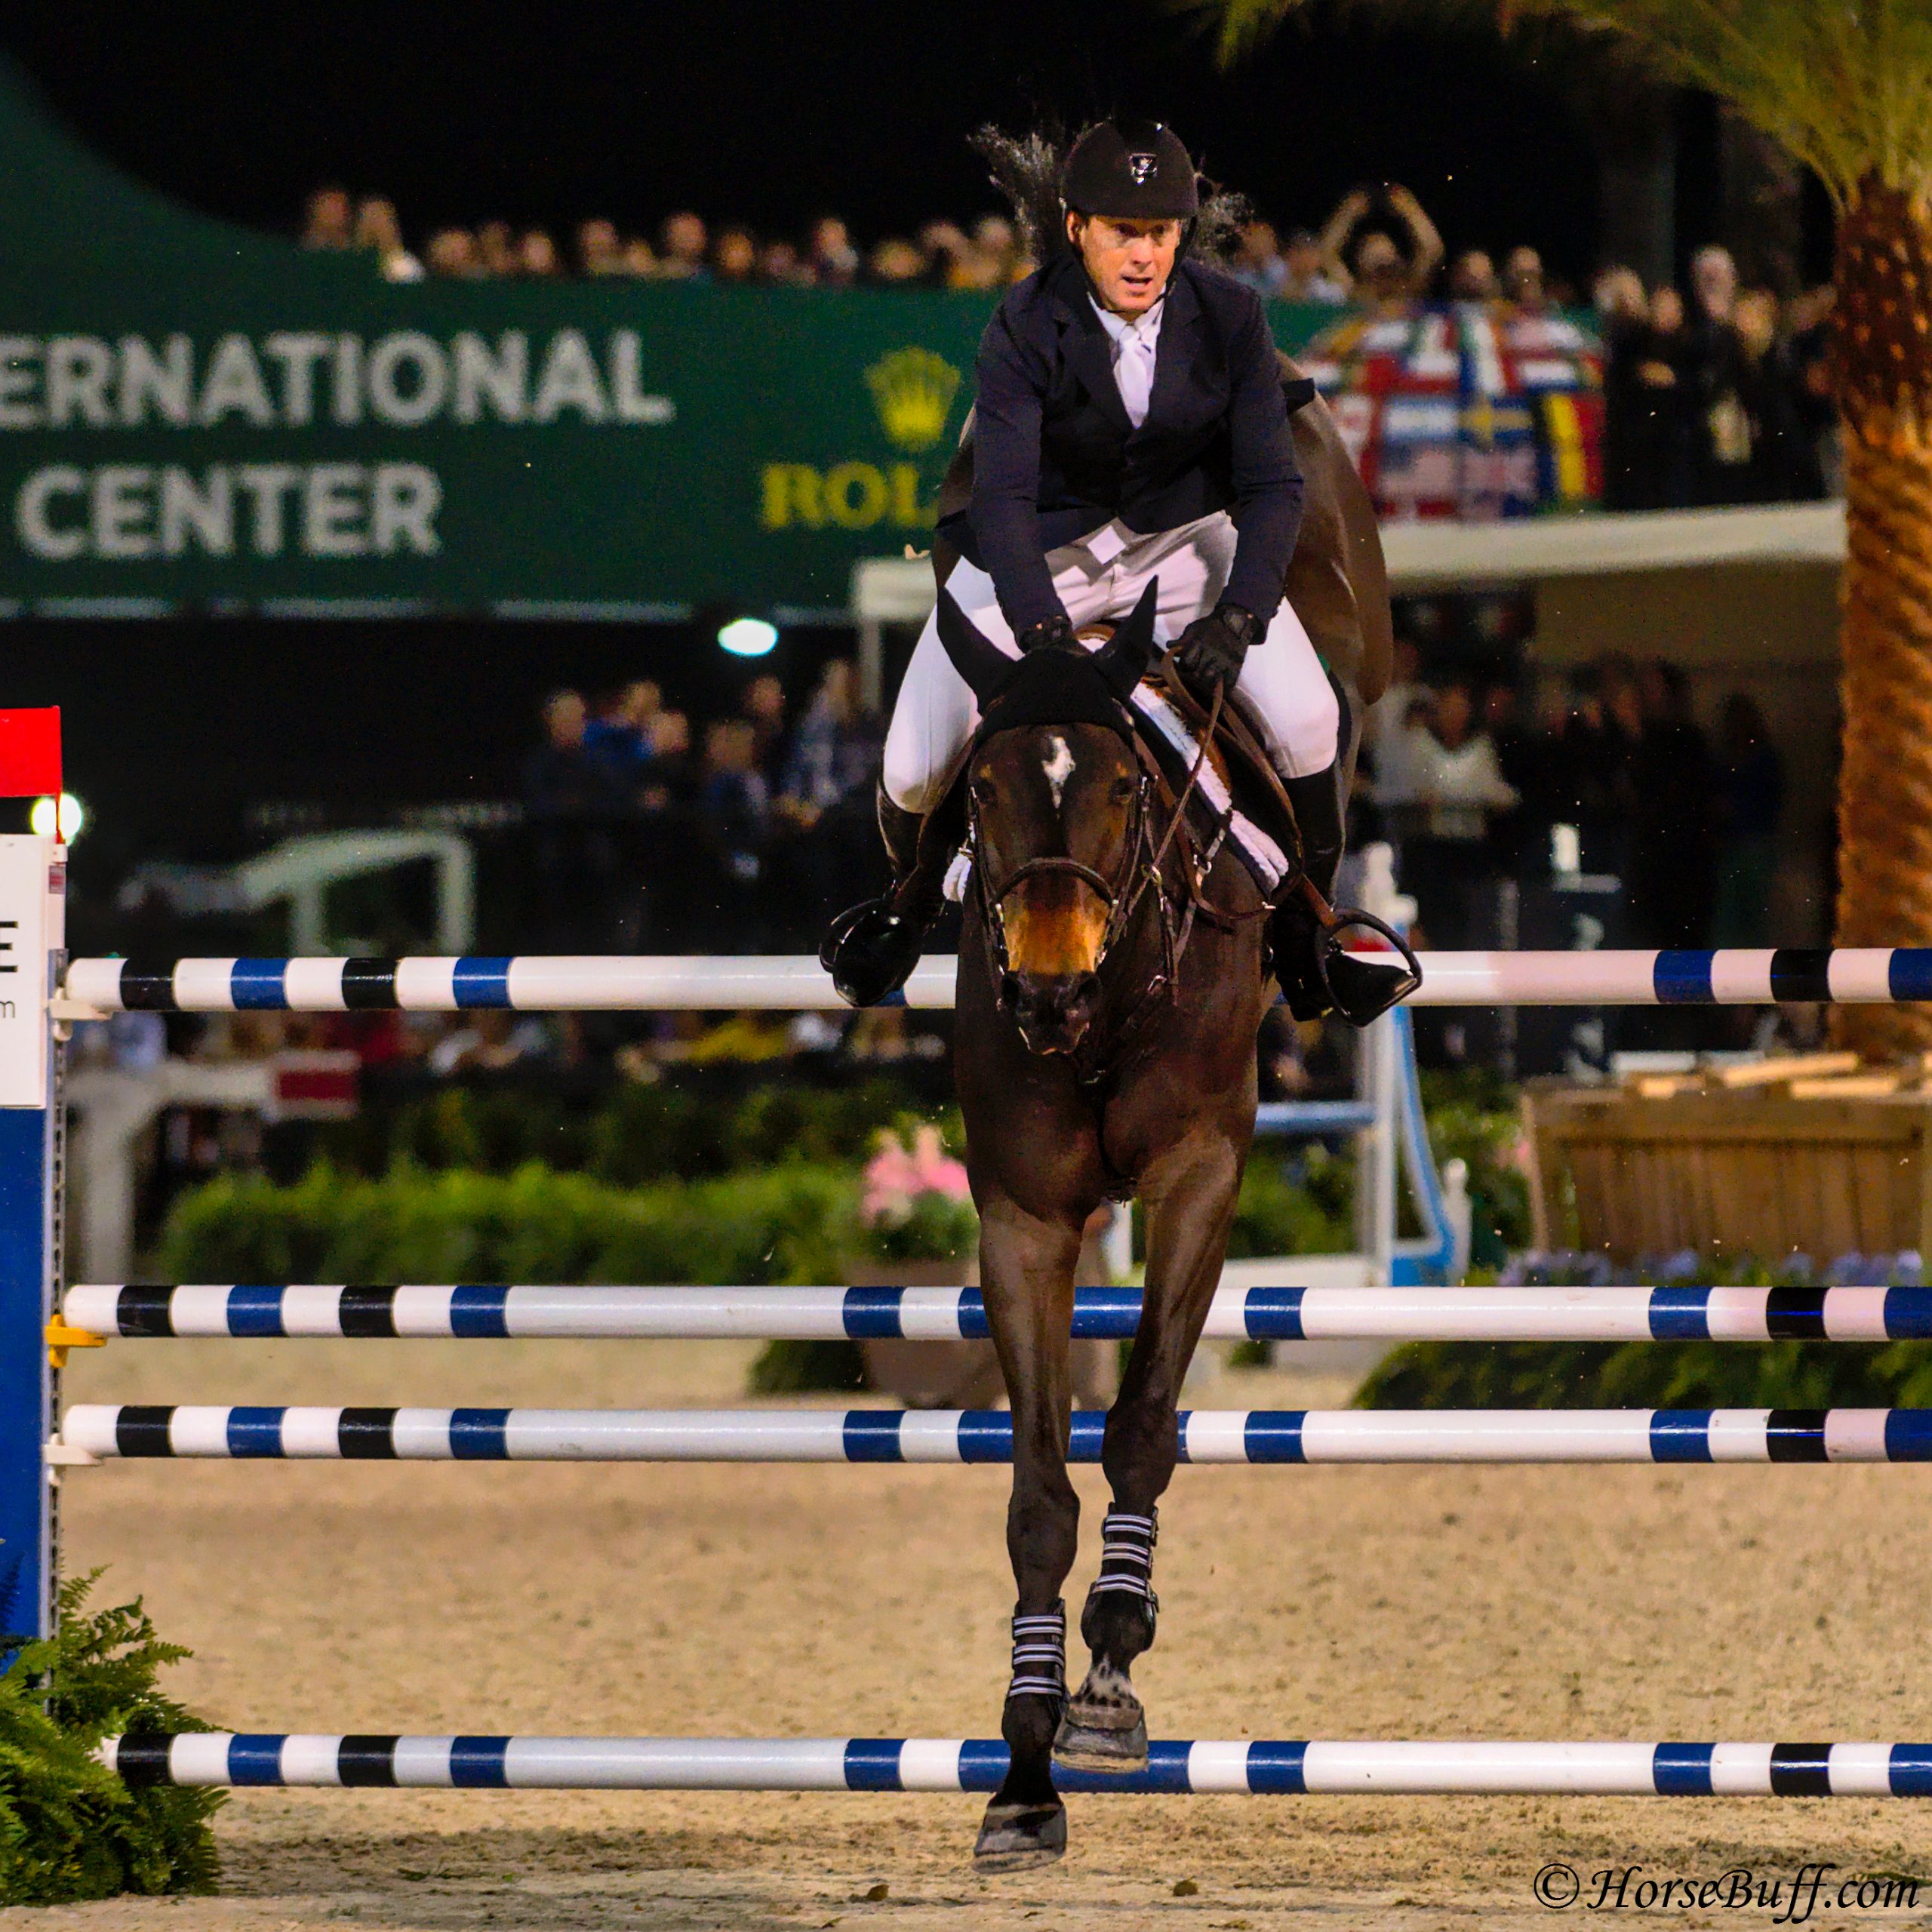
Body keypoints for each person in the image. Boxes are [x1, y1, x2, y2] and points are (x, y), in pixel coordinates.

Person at [826, 118, 1407, 1026]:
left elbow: (1269, 485)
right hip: (1038, 561)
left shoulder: (1232, 317)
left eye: (1160, 234)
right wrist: (1041, 634)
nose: (1143, 254)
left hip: (1184, 551)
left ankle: (1310, 934)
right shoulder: (1023, 321)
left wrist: (1241, 614)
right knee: (909, 768)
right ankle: (907, 907)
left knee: (1306, 722)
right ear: (1075, 230)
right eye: (1121, 232)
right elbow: (1004, 502)